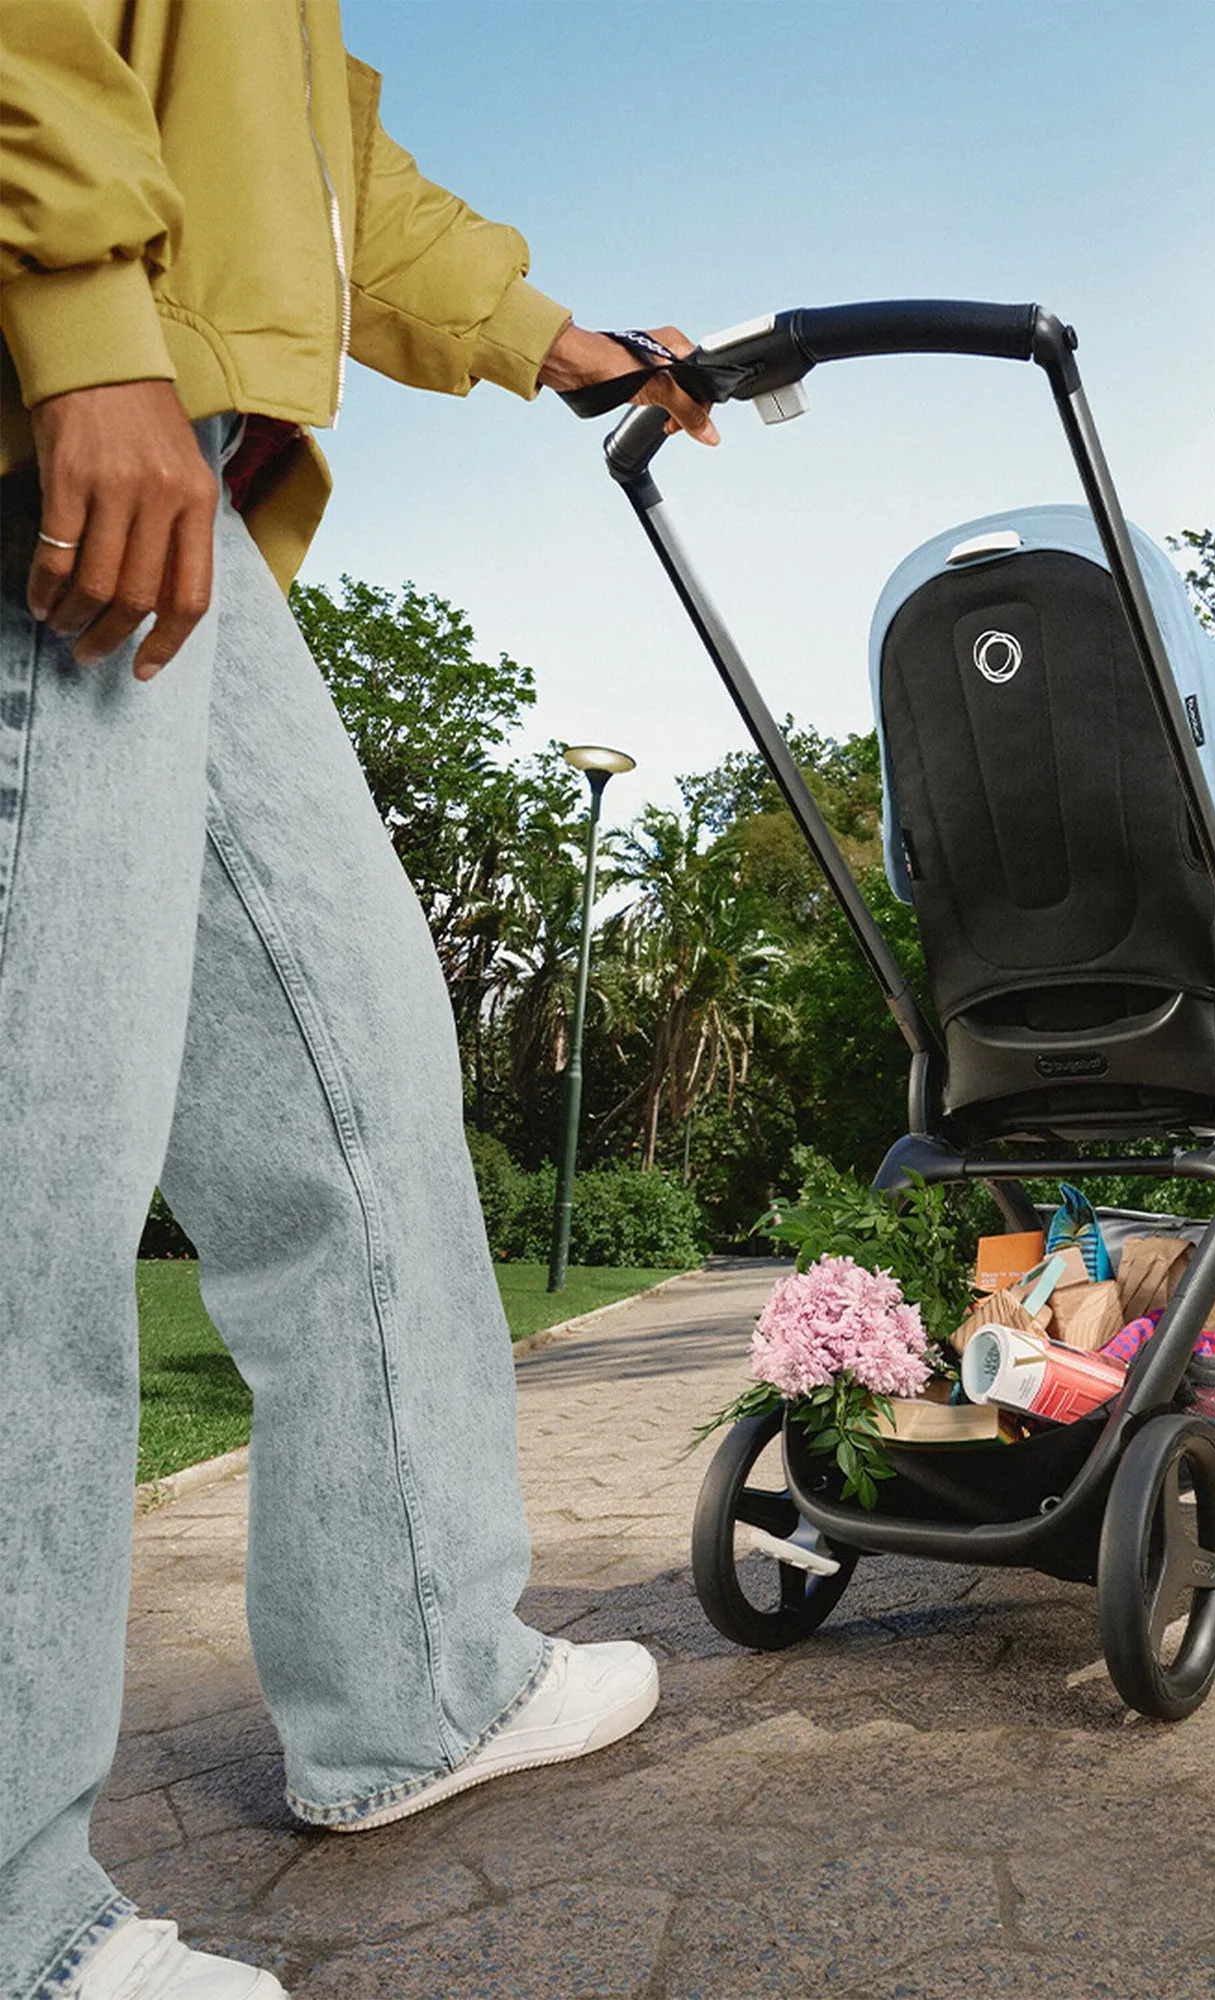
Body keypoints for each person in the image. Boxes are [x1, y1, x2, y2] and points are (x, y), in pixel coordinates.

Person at [0, 8, 715, 1997]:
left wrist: (544, 332)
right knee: (30, 1172)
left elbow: (301, 140)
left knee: (358, 1094)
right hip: (70, 400)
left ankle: (417, 1679)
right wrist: (72, 317)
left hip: (191, 448)